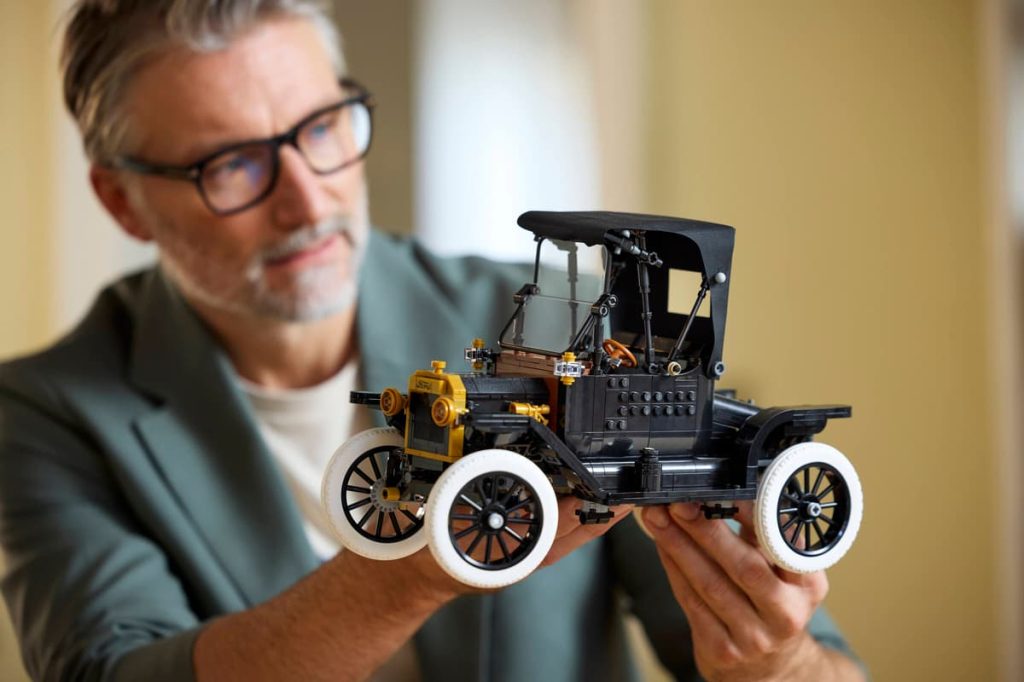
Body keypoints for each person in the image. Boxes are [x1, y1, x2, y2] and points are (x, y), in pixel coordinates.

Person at [0, 1, 865, 680]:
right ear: (120, 202)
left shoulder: (540, 316)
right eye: (231, 164)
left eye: (322, 129)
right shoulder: (47, 413)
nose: (310, 202)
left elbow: (817, 667)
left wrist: (774, 660)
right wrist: (412, 572)